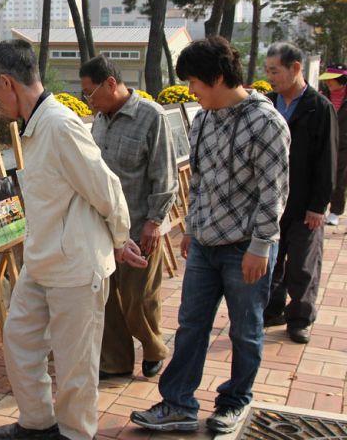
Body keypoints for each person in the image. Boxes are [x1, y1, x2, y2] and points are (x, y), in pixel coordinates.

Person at [0, 39, 147, 440]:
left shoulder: (59, 125)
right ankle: (38, 423)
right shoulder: (35, 126)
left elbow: (105, 187)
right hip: (42, 260)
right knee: (19, 340)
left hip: (76, 266)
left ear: (6, 83)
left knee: (76, 364)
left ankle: (75, 434)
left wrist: (119, 238)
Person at [131, 36, 289, 434]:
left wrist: (260, 246)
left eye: (194, 82)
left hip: (246, 249)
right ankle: (178, 404)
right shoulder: (203, 120)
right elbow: (199, 182)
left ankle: (235, 401)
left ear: (218, 78)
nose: (190, 91)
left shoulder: (266, 123)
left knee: (245, 330)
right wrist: (192, 228)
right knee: (191, 325)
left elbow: (274, 193)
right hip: (204, 244)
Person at [80, 55, 178, 380]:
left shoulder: (151, 116)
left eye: (90, 93)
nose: (88, 101)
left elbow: (165, 174)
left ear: (111, 83)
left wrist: (154, 221)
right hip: (105, 229)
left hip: (140, 227)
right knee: (106, 298)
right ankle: (115, 361)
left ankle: (153, 349)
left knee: (139, 298)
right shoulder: (100, 120)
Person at [263, 43, 338, 344]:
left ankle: (300, 318)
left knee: (302, 266)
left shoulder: (319, 107)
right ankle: (272, 310)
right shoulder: (268, 104)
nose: (270, 78)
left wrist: (318, 205)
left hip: (305, 202)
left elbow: (327, 160)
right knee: (272, 262)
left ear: (295, 68)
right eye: (268, 71)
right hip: (272, 202)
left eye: (275, 71)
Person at [320, 64, 347, 226]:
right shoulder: (323, 96)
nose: (328, 82)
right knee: (322, 175)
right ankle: (320, 206)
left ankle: (335, 211)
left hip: (343, 145)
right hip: (324, 141)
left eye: (331, 79)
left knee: (339, 178)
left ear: (341, 79)